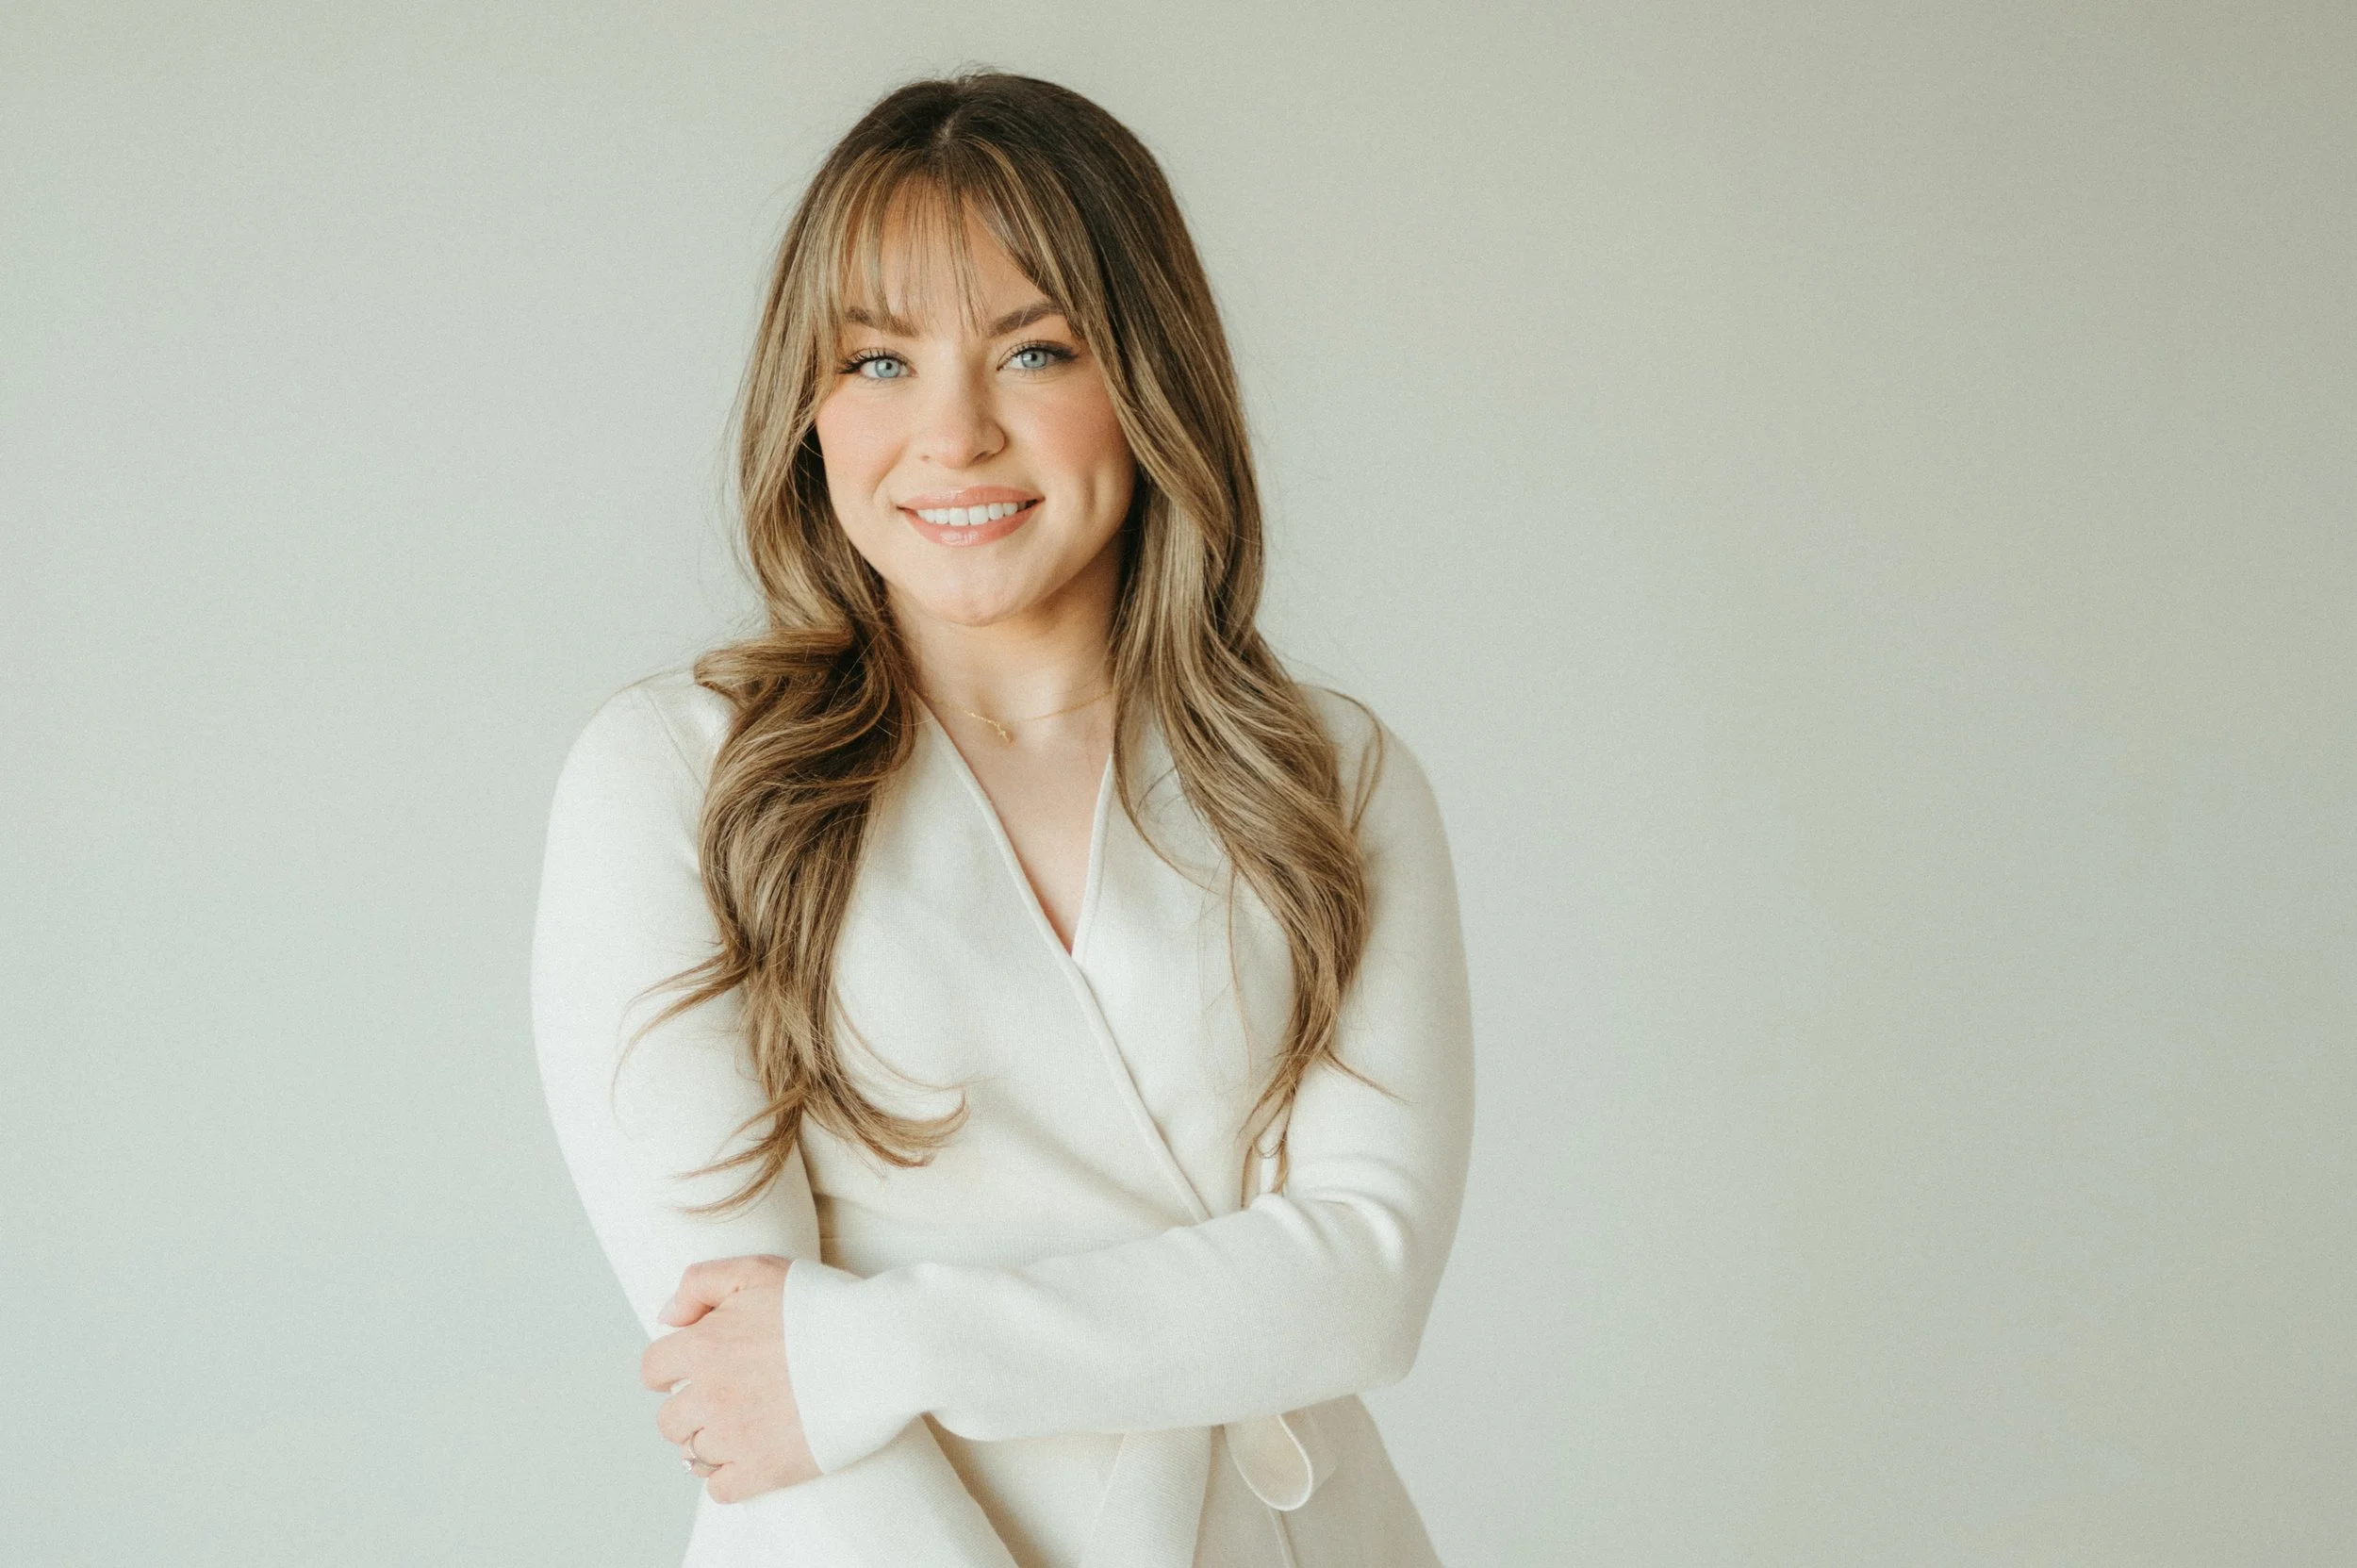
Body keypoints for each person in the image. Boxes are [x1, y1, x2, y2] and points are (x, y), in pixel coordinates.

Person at [530, 70, 1474, 1568]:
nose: (954, 433)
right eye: (880, 362)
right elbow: (745, 1375)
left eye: (1035, 349)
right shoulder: (678, 775)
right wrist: (830, 1372)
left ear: (1151, 382)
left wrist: (869, 1347)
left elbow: (1363, 1279)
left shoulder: (1329, 777)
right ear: (809, 407)